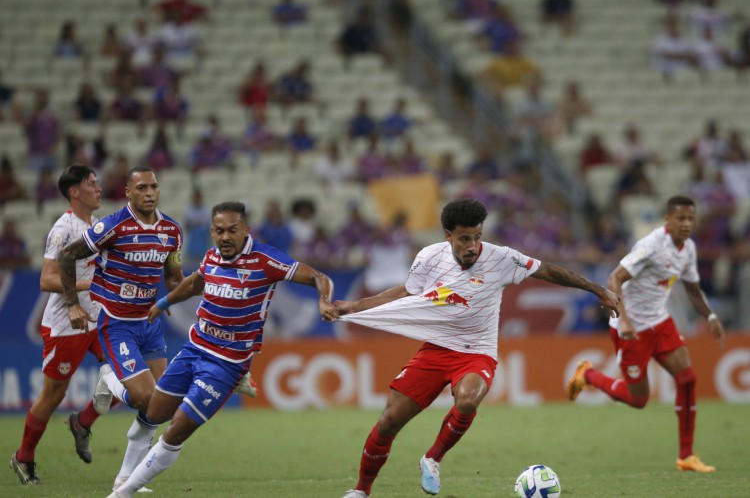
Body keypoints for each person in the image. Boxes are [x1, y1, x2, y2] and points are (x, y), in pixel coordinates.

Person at [336, 198, 621, 498]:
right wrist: (351, 307)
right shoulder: (429, 257)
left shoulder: (502, 259)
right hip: (436, 349)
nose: (473, 245)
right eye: (464, 239)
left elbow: (548, 271)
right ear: (448, 235)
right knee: (389, 421)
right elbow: (405, 292)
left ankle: (432, 458)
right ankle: (361, 491)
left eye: (477, 237)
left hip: (477, 353)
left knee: (468, 400)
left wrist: (598, 289)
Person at [108, 201, 338, 497]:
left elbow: (320, 277)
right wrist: (164, 303)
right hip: (194, 348)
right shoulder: (211, 256)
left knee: (176, 429)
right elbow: (194, 284)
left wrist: (324, 300)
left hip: (225, 364)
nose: (225, 237)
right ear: (212, 232)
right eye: (219, 231)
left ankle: (121, 494)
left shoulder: (266, 260)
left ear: (245, 230)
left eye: (232, 230)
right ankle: (122, 473)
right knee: (152, 412)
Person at [566, 195, 726, 473]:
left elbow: (691, 288)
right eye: (681, 218)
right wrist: (625, 321)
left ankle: (686, 457)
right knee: (638, 399)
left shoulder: (688, 250)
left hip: (660, 322)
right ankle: (587, 375)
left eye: (691, 218)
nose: (687, 224)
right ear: (668, 220)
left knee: (687, 378)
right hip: (631, 329)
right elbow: (614, 278)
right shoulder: (651, 246)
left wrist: (710, 316)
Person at [58, 166, 185, 492]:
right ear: (128, 191)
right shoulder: (112, 226)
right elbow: (67, 255)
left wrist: (175, 295)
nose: (149, 193)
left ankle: (125, 478)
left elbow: (173, 275)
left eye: (154, 186)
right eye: (142, 187)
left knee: (163, 404)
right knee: (144, 397)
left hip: (150, 323)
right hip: (117, 325)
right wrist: (73, 303)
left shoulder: (171, 230)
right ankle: (109, 379)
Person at [9, 166, 111, 485]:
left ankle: (83, 422)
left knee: (130, 375)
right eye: (91, 184)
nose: (98, 187)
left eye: (97, 182)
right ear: (74, 192)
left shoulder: (96, 225)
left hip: (97, 318)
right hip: (67, 324)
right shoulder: (63, 229)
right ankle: (23, 458)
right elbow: (47, 278)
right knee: (52, 396)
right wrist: (85, 287)